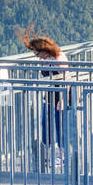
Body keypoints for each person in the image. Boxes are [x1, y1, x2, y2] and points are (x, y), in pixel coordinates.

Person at [18, 26, 69, 170]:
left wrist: (63, 100)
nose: (37, 57)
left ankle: (62, 156)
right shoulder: (48, 59)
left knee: (60, 127)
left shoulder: (58, 58)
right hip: (49, 95)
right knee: (45, 124)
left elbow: (67, 78)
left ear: (44, 50)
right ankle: (47, 154)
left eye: (37, 53)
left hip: (61, 95)